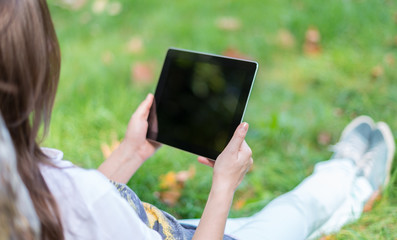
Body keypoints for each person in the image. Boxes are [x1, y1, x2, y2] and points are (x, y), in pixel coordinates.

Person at [0, 0, 395, 239]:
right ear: (36, 72)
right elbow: (85, 205)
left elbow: (77, 211)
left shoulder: (15, 176)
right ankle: (351, 176)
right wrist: (224, 183)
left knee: (260, 222)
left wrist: (132, 151)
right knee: (294, 212)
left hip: (162, 227)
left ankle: (345, 191)